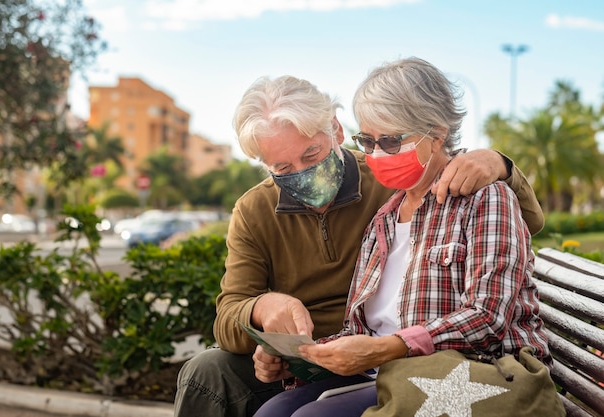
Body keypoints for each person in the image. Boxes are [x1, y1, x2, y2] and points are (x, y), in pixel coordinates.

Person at [173, 72, 544, 417]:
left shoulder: (395, 182)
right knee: (208, 374)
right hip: (338, 355)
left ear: (334, 130)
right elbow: (228, 316)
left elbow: (516, 235)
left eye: (311, 155)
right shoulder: (264, 210)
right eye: (282, 168)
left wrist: (501, 165)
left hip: (406, 357)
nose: (301, 173)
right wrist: (263, 312)